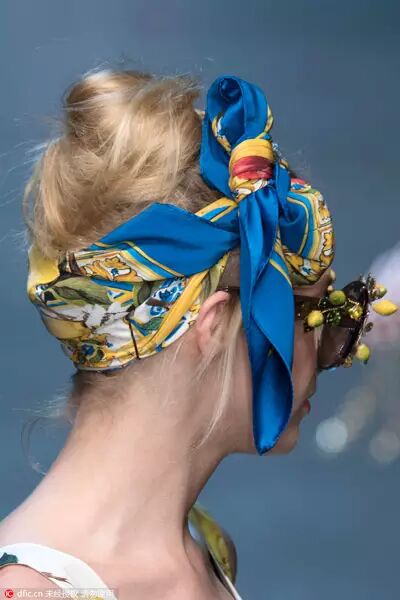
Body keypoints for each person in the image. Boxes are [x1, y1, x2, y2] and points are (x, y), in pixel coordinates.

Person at [0, 69, 396, 599]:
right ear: (211, 327)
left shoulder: (206, 549)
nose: (333, 353)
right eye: (308, 313)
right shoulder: (31, 593)